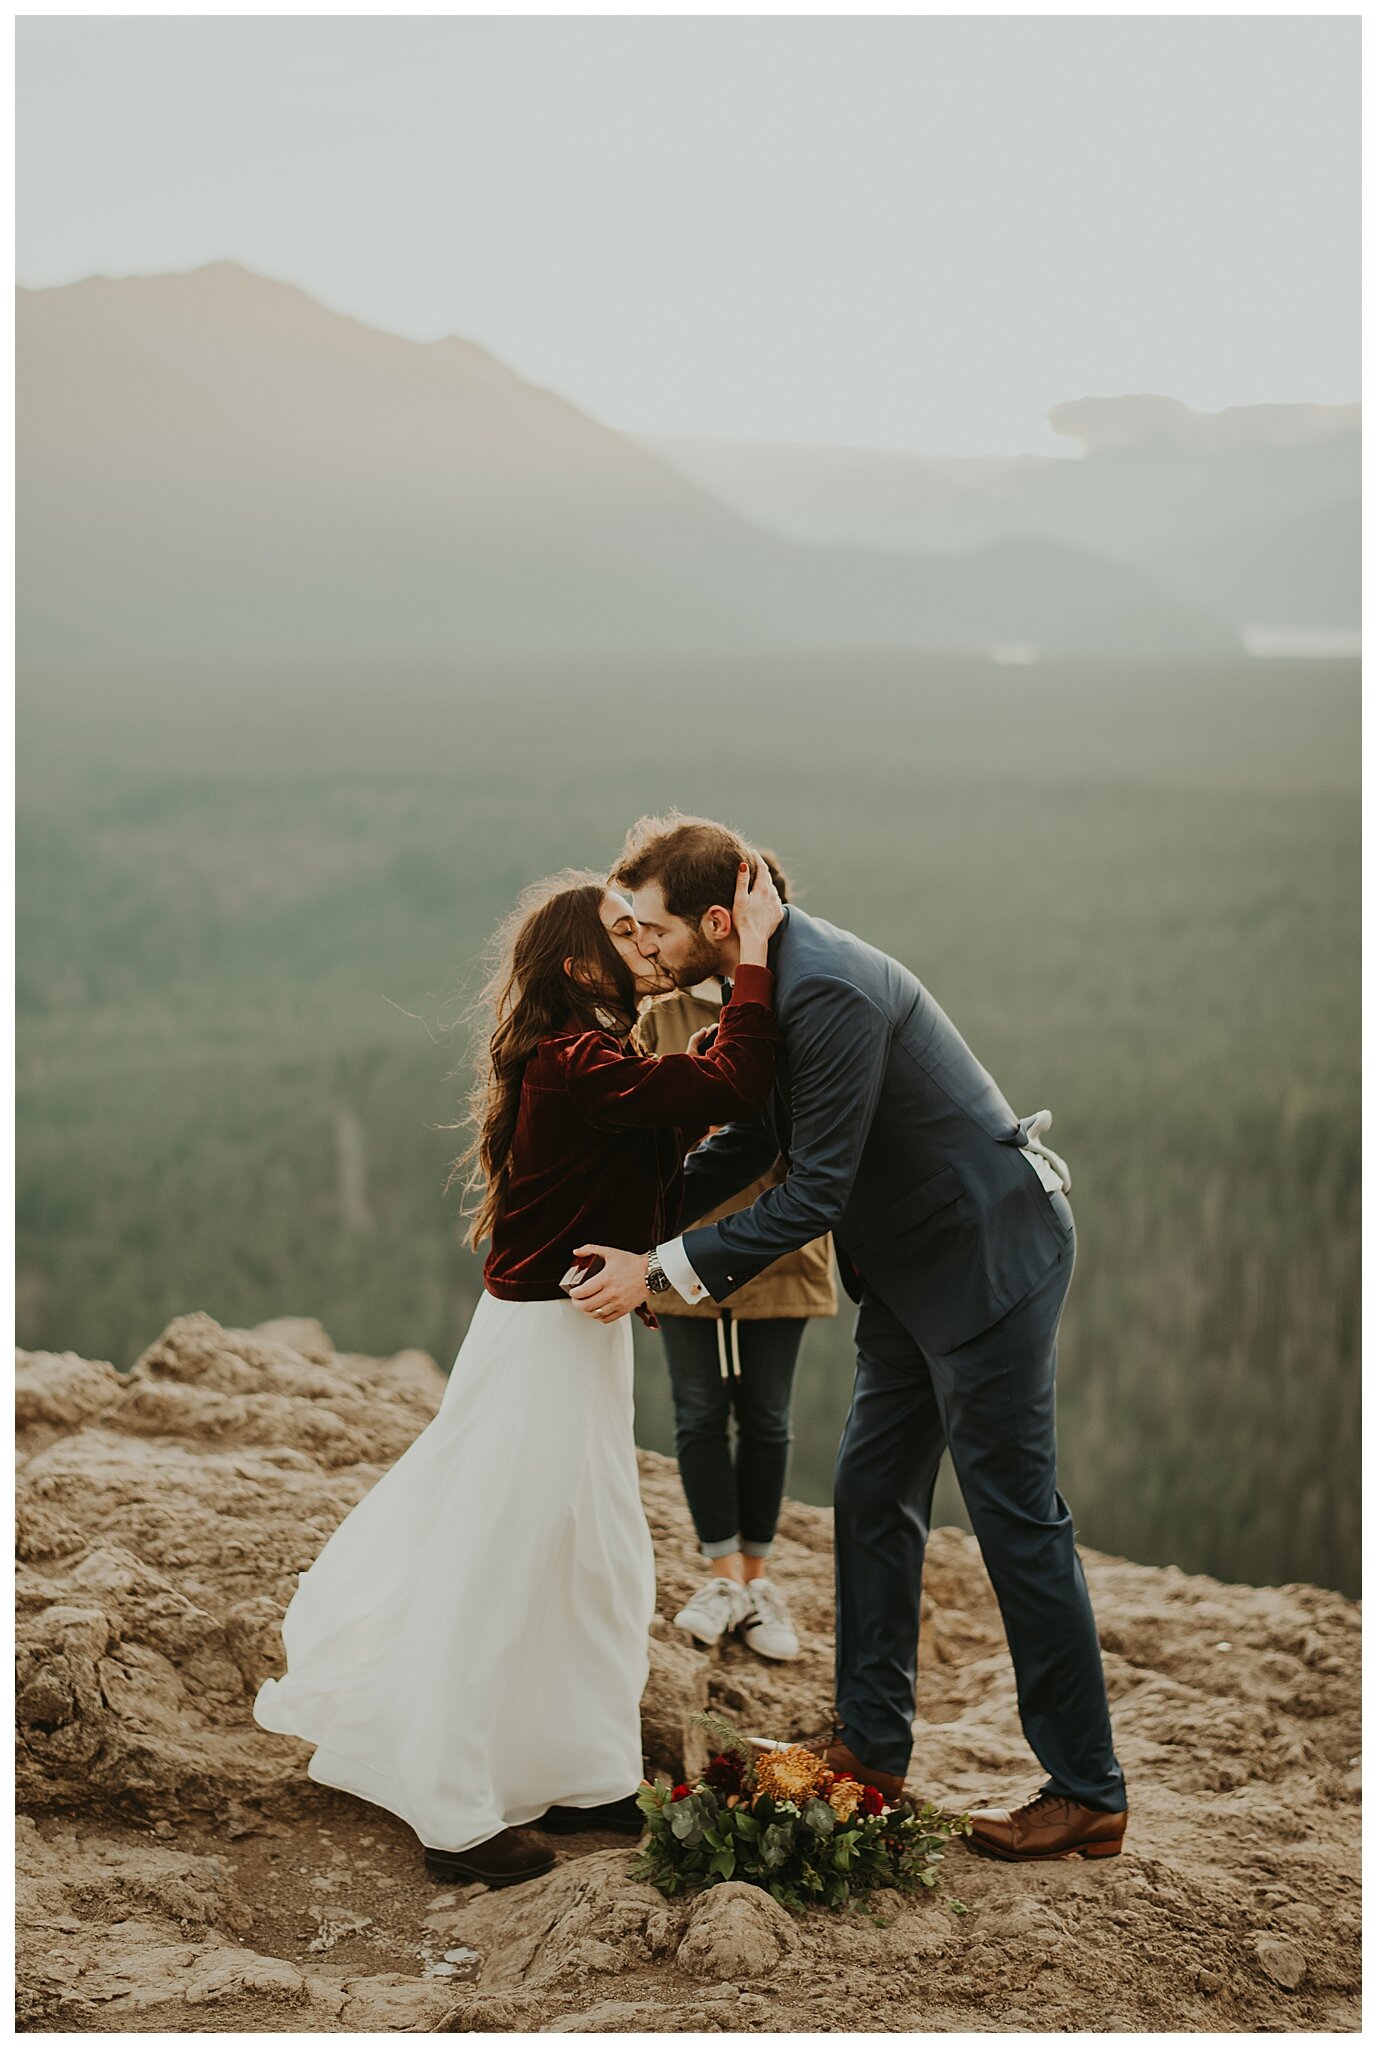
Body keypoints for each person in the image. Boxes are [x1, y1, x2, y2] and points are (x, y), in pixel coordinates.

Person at [568, 814, 1130, 1865]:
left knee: (1016, 1518)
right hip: (915, 1270)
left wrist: (663, 1270)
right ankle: (869, 1748)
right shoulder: (775, 972)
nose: (644, 945)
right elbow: (758, 1134)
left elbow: (814, 1187)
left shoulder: (820, 985)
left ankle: (1088, 1787)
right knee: (873, 1493)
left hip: (985, 1260)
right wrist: (634, 1216)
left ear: (717, 920)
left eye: (653, 925)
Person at [253, 856, 783, 1888]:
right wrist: (751, 955)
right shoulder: (576, 1059)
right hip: (539, 1344)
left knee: (595, 1557)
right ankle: (453, 1814)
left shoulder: (594, 1056)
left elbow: (697, 1101)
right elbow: (725, 1081)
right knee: (499, 1564)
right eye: (626, 928)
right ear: (579, 959)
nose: (644, 939)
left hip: (575, 1338)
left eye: (647, 926)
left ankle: (580, 1770)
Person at [633, 850, 836, 1662]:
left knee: (767, 1417)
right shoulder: (667, 1019)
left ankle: (754, 1582)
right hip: (682, 1245)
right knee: (696, 1411)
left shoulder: (799, 1006)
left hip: (781, 1248)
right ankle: (725, 1576)